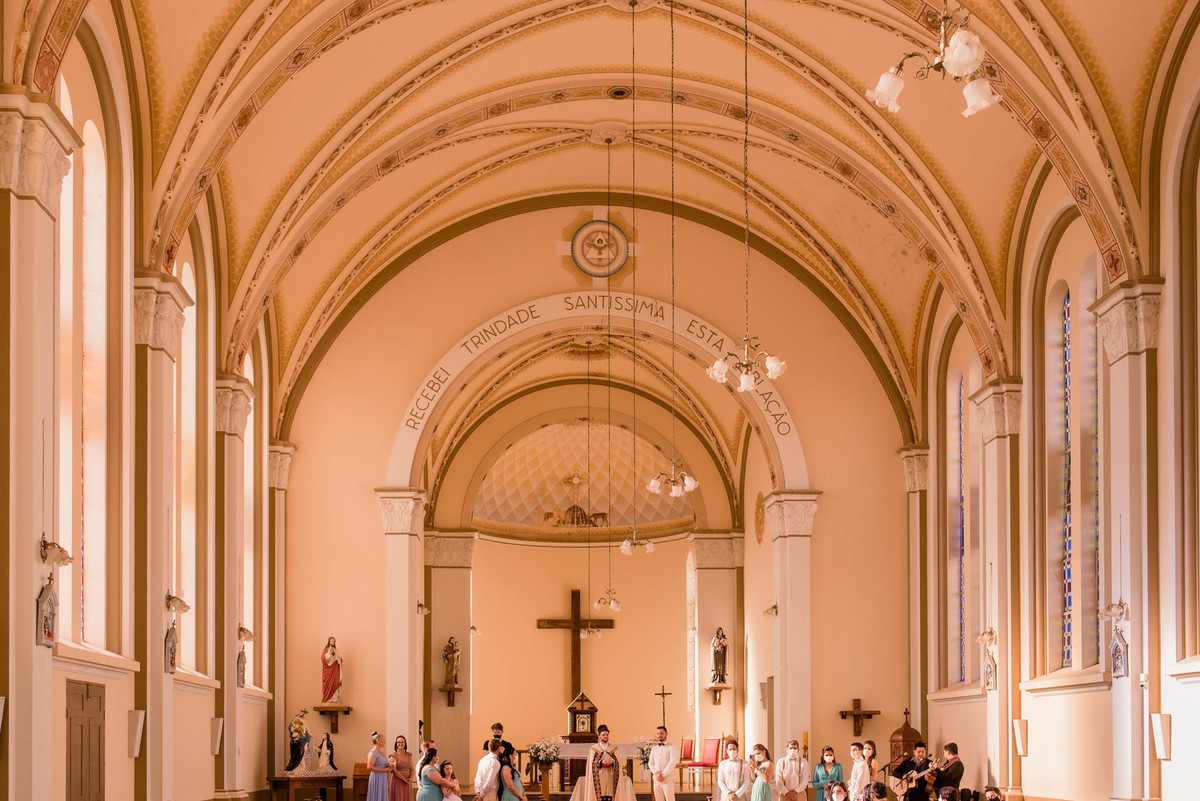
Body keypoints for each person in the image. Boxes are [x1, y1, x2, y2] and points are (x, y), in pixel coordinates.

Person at [648, 726, 679, 801]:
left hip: (667, 778)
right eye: (658, 733)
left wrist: (663, 774)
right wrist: (656, 773)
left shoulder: (672, 747)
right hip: (656, 779)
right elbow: (651, 763)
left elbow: (672, 762)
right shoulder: (654, 748)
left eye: (661, 733)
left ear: (666, 734)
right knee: (658, 799)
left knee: (670, 799)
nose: (659, 735)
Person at [368, 732, 393, 801]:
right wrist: (384, 770)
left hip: (383, 778)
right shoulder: (373, 752)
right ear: (378, 741)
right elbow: (369, 767)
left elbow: (380, 763)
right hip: (376, 777)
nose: (385, 741)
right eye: (383, 739)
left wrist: (388, 764)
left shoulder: (381, 752)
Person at [389, 735, 413, 801]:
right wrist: (403, 778)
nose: (400, 744)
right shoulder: (393, 756)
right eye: (398, 742)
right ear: (396, 744)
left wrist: (410, 779)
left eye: (402, 742)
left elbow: (412, 769)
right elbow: (393, 770)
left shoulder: (409, 755)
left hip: (407, 781)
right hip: (397, 781)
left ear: (405, 743)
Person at [322, 637, 344, 703]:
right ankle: (327, 698)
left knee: (335, 682)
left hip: (335, 670)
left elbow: (339, 658)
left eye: (333, 641)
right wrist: (328, 653)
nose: (332, 642)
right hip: (328, 671)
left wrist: (338, 660)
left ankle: (334, 698)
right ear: (329, 642)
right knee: (328, 683)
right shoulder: (326, 649)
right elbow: (323, 658)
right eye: (331, 641)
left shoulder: (336, 650)